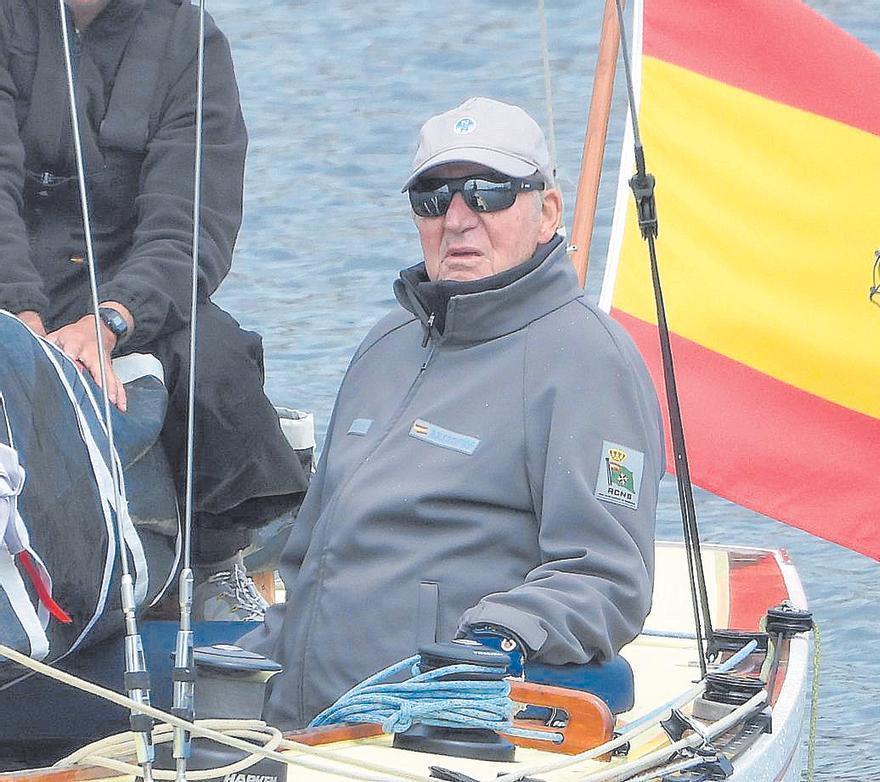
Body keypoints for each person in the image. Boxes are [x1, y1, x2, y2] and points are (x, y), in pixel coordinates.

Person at [240, 97, 665, 729]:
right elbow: (308, 560)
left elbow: (607, 577)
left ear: (548, 211)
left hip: (432, 731)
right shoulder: (385, 343)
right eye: (434, 198)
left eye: (487, 193)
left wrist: (500, 638)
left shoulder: (588, 361)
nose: (458, 219)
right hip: (301, 731)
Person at [0, 0, 310, 618]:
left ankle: (217, 558)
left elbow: (190, 223)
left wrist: (114, 319)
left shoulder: (189, 40)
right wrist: (20, 321)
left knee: (217, 359)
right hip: (13, 280)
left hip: (130, 287)